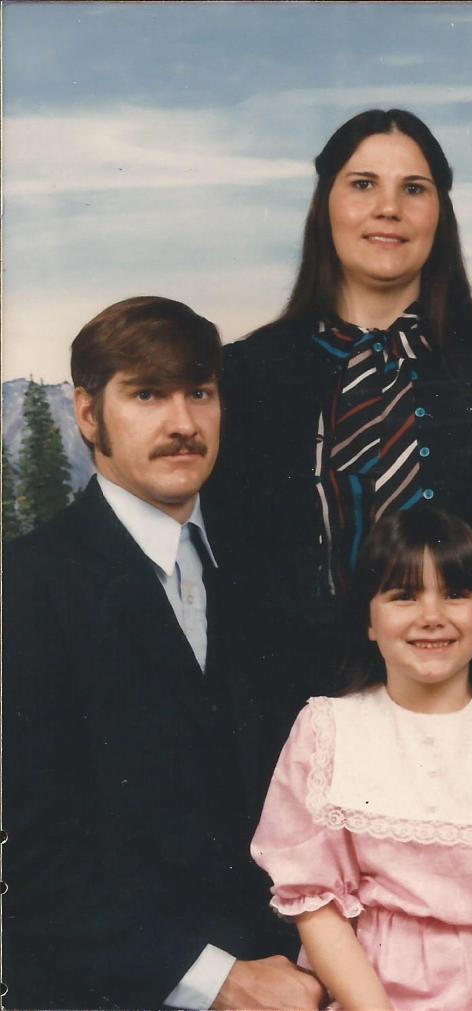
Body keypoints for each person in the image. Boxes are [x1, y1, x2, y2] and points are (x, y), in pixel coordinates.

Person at [3, 297, 322, 1011]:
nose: (183, 423)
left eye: (199, 393)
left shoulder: (264, 578)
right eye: (147, 394)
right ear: (88, 414)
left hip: (294, 981)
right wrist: (222, 981)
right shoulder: (24, 589)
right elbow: (30, 863)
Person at [206, 108, 472, 685]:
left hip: (469, 702)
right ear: (325, 205)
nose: (388, 208)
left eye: (413, 189)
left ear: (440, 213)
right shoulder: (251, 374)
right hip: (295, 706)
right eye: (363, 184)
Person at [251, 506, 472, 1011]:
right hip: (370, 993)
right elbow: (316, 905)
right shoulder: (327, 727)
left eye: (456, 593)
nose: (432, 615)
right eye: (404, 596)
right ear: (369, 622)